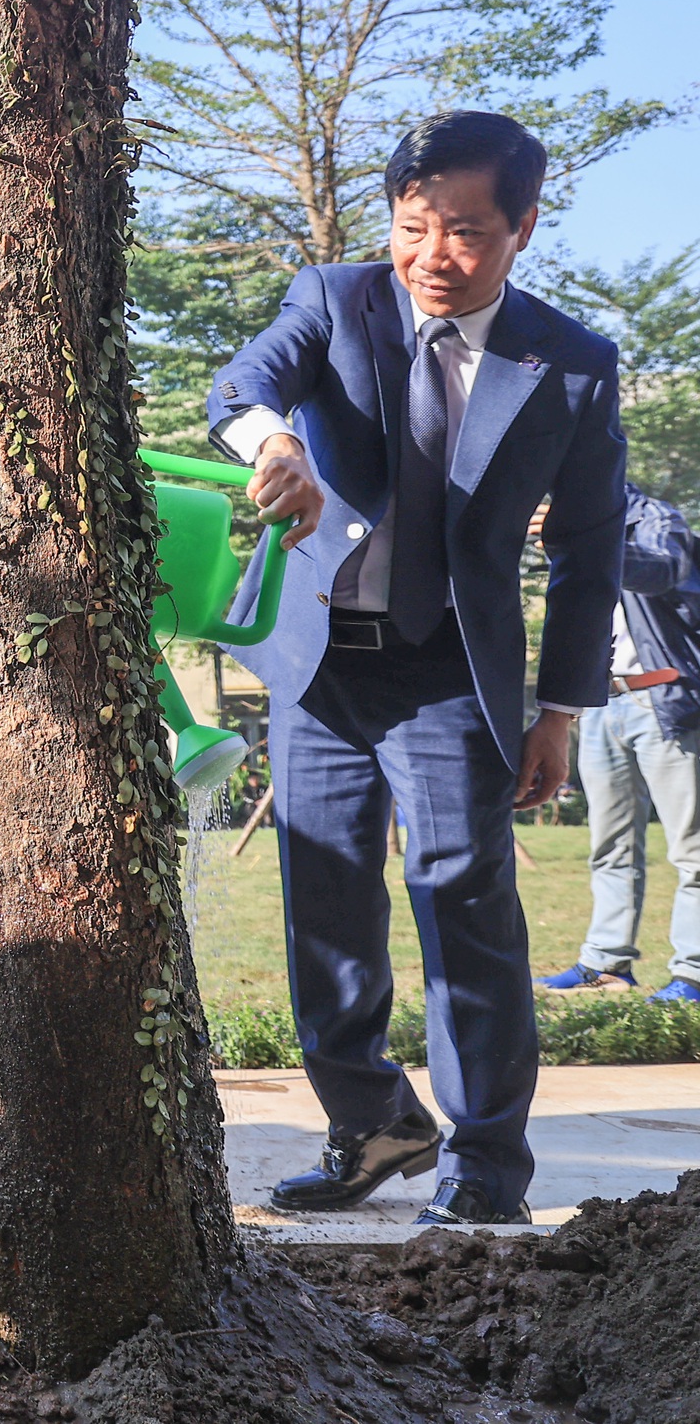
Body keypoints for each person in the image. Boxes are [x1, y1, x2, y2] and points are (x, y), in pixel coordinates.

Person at [208, 110, 625, 1229]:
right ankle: (375, 1123)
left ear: (523, 226)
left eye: (467, 232)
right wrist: (275, 444)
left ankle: (485, 1166)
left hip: (448, 671)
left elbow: (589, 554)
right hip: (318, 667)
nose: (433, 255)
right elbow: (241, 388)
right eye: (412, 225)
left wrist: (559, 712)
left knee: (464, 905)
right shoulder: (333, 298)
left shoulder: (573, 364)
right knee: (324, 910)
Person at [538, 482, 700, 1003]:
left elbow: (661, 570)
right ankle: (606, 963)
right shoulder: (575, 521)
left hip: (664, 700)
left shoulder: (656, 517)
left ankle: (693, 975)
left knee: (693, 848)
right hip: (601, 703)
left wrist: (580, 541)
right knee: (609, 844)